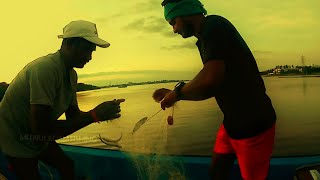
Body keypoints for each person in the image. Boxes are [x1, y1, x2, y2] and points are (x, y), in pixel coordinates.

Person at [154, 0, 277, 179]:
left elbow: (211, 79)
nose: (174, 29)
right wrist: (177, 94)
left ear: (186, 13)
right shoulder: (204, 37)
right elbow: (210, 85)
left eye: (173, 22)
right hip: (231, 124)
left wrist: (178, 93)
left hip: (253, 126)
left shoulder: (214, 26)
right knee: (216, 174)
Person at [0, 20, 125, 180]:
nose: (90, 57)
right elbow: (41, 130)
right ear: (69, 43)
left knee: (67, 165)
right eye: (87, 49)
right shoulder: (45, 69)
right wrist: (94, 115)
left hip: (36, 137)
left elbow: (73, 117)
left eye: (92, 51)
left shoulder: (72, 75)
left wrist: (101, 112)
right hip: (15, 139)